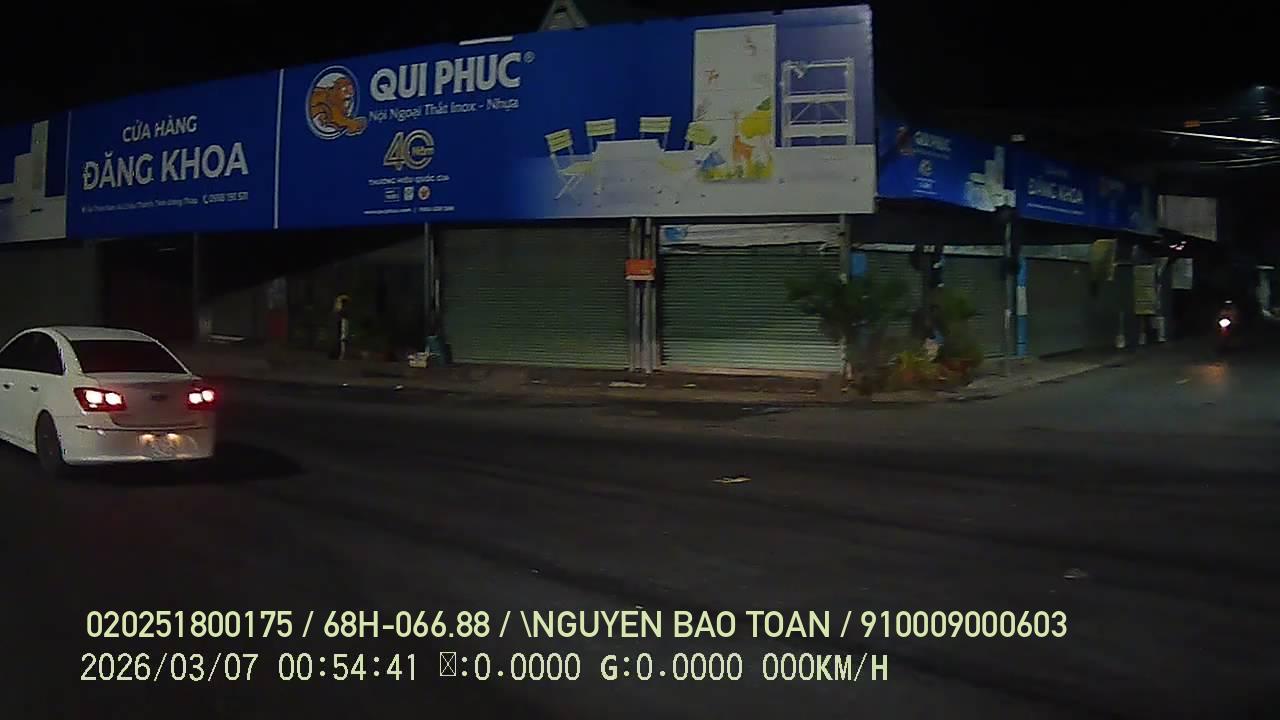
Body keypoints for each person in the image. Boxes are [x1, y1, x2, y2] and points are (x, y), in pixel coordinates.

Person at [329, 294, 351, 360]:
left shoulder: (340, 308)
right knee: (341, 340)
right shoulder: (339, 308)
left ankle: (339, 355)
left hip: (341, 323)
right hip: (341, 323)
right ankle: (338, 355)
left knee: (341, 340)